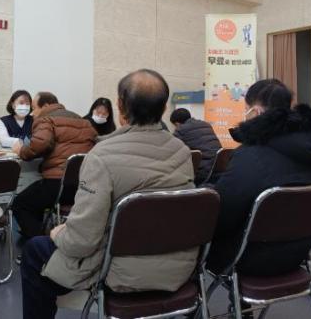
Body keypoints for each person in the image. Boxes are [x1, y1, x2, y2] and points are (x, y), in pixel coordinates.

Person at [20, 69, 196, 319]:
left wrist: (59, 234)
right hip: (178, 271)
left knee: (34, 250)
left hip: (118, 272)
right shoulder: (183, 151)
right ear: (165, 108)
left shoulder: (101, 156)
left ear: (120, 107)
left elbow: (81, 241)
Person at [207, 79, 311, 317]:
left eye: (246, 108)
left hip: (249, 258)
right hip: (299, 255)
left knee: (197, 239)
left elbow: (223, 215)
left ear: (257, 111)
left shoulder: (251, 155)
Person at [12, 92, 96, 240]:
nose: (32, 113)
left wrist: (21, 151)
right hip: (84, 186)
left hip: (57, 185)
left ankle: (40, 244)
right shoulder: (83, 121)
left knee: (20, 204)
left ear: (45, 106)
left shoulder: (46, 119)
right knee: (35, 199)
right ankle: (41, 235)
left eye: (34, 108)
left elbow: (41, 143)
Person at [170, 108, 222, 184]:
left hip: (202, 172)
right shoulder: (206, 124)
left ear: (177, 123)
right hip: (218, 168)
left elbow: (170, 150)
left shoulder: (181, 130)